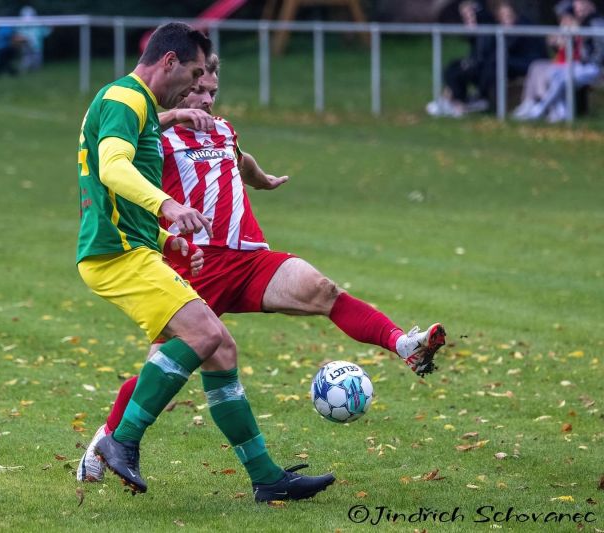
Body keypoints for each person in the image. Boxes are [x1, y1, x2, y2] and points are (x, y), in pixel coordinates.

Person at [78, 54, 447, 499]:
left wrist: (261, 179)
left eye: (213, 91)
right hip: (194, 264)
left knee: (321, 289)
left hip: (249, 257)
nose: (206, 100)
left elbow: (239, 158)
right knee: (172, 367)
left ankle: (401, 344)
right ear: (178, 86)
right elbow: (123, 137)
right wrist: (173, 116)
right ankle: (107, 441)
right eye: (198, 90)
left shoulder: (221, 129)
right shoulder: (154, 129)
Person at [75, 22, 336, 503]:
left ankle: (266, 477)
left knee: (220, 351)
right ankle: (120, 440)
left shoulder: (140, 107)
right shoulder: (126, 99)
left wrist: (164, 239)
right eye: (193, 73)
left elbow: (112, 192)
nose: (195, 86)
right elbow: (111, 169)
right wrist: (168, 208)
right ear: (169, 62)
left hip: (132, 247)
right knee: (205, 334)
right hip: (116, 256)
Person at [518, 0, 604, 122]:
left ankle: (540, 109)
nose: (579, 8)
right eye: (577, 5)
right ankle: (555, 110)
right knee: (543, 70)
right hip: (579, 65)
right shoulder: (583, 23)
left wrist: (571, 41)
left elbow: (593, 53)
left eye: (582, 5)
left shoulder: (595, 23)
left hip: (592, 67)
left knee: (560, 78)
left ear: (591, 5)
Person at [426, 1, 495, 117]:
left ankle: (455, 103)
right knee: (452, 67)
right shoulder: (476, 32)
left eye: (469, 15)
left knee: (456, 72)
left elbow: (483, 55)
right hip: (478, 63)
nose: (467, 20)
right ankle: (448, 100)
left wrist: (471, 63)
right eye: (464, 16)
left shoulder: (486, 28)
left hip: (485, 67)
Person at [476, 1, 546, 106]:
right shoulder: (509, 29)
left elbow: (507, 47)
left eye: (508, 16)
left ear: (515, 14)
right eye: (503, 17)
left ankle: (484, 98)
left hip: (533, 64)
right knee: (493, 62)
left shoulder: (521, 26)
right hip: (521, 60)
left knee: (496, 62)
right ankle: (485, 97)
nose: (506, 20)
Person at [16, 6, 52, 72]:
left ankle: (34, 71)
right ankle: (25, 70)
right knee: (26, 59)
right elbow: (18, 36)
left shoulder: (38, 25)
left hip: (37, 47)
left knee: (36, 62)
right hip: (26, 46)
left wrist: (51, 26)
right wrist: (23, 40)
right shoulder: (20, 25)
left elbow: (46, 32)